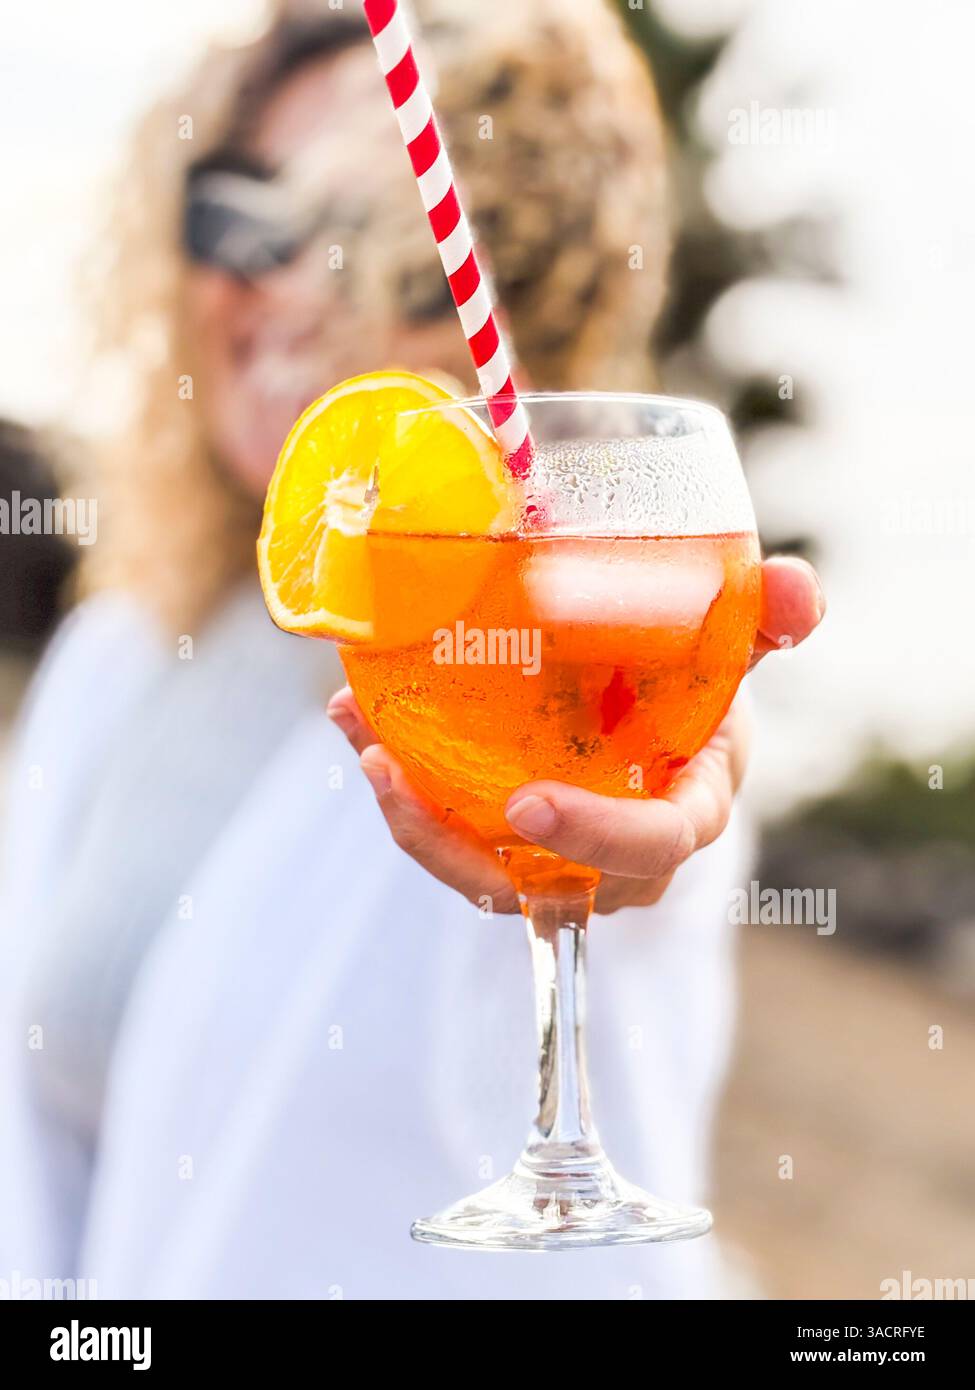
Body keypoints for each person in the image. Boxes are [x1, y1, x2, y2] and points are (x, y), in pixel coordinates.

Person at [0, 0, 821, 1299]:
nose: (288, 296)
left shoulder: (533, 654)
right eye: (240, 217)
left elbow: (666, 809)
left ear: (529, 308)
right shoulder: (122, 651)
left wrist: (664, 783)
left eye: (386, 257)